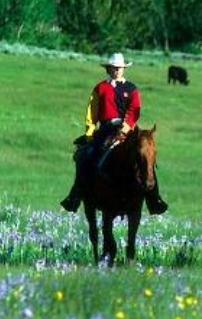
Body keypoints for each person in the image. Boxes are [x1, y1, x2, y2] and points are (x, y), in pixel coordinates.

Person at [60, 52, 168, 215]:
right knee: (86, 156)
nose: (116, 70)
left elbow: (134, 111)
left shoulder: (131, 89)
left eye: (119, 68)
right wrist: (90, 133)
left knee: (146, 158)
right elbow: (92, 111)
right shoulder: (100, 88)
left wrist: (125, 128)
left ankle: (154, 199)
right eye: (113, 68)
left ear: (124, 69)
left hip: (128, 130)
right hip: (105, 129)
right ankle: (75, 196)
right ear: (108, 69)